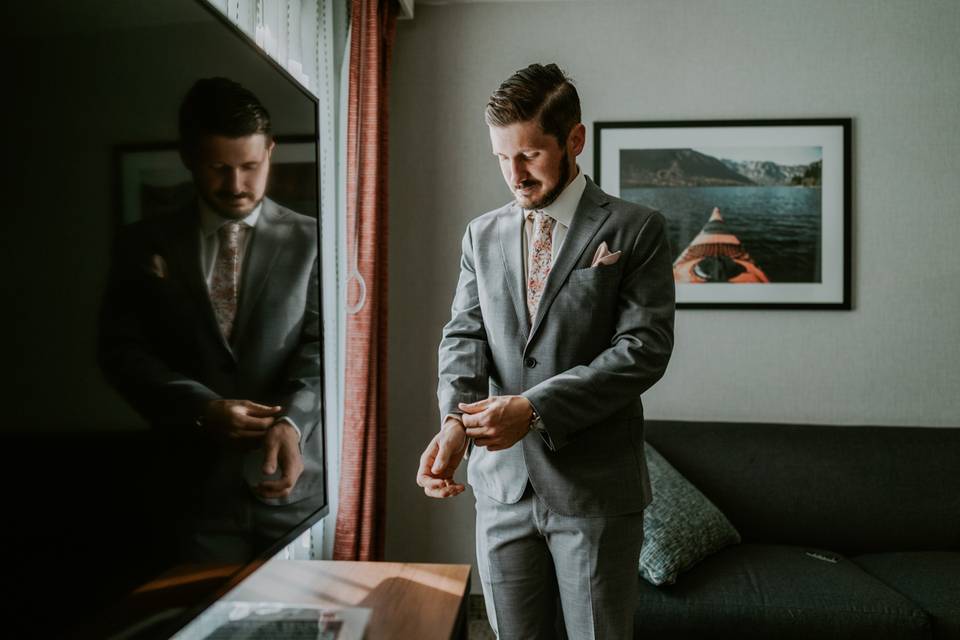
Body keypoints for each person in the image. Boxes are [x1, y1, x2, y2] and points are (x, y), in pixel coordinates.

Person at [416, 63, 675, 639]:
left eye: (529, 155)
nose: (515, 174)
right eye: (502, 157)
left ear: (574, 140)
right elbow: (464, 336)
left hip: (595, 493)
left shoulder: (636, 230)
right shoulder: (480, 235)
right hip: (500, 488)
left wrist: (533, 410)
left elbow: (642, 350)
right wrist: (456, 423)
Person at [99, 77, 322, 563]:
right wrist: (201, 408)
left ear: (270, 152)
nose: (237, 185)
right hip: (189, 492)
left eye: (250, 166)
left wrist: (293, 422)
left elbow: (323, 350)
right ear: (189, 158)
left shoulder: (313, 239)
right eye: (219, 167)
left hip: (291, 486)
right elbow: (121, 352)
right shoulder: (143, 243)